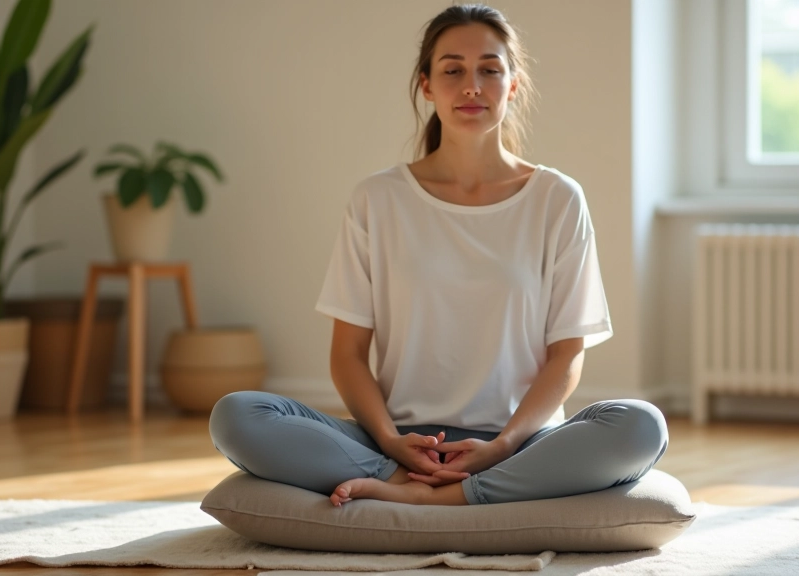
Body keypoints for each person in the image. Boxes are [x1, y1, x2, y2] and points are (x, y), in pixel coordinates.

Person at [209, 3, 667, 508]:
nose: (472, 85)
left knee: (641, 426)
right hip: (401, 440)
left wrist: (502, 446)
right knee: (237, 415)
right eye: (453, 70)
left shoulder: (557, 198)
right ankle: (405, 482)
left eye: (489, 70)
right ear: (426, 84)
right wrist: (389, 445)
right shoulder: (377, 199)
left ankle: (433, 499)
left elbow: (566, 356)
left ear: (512, 85)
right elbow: (347, 355)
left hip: (516, 442)